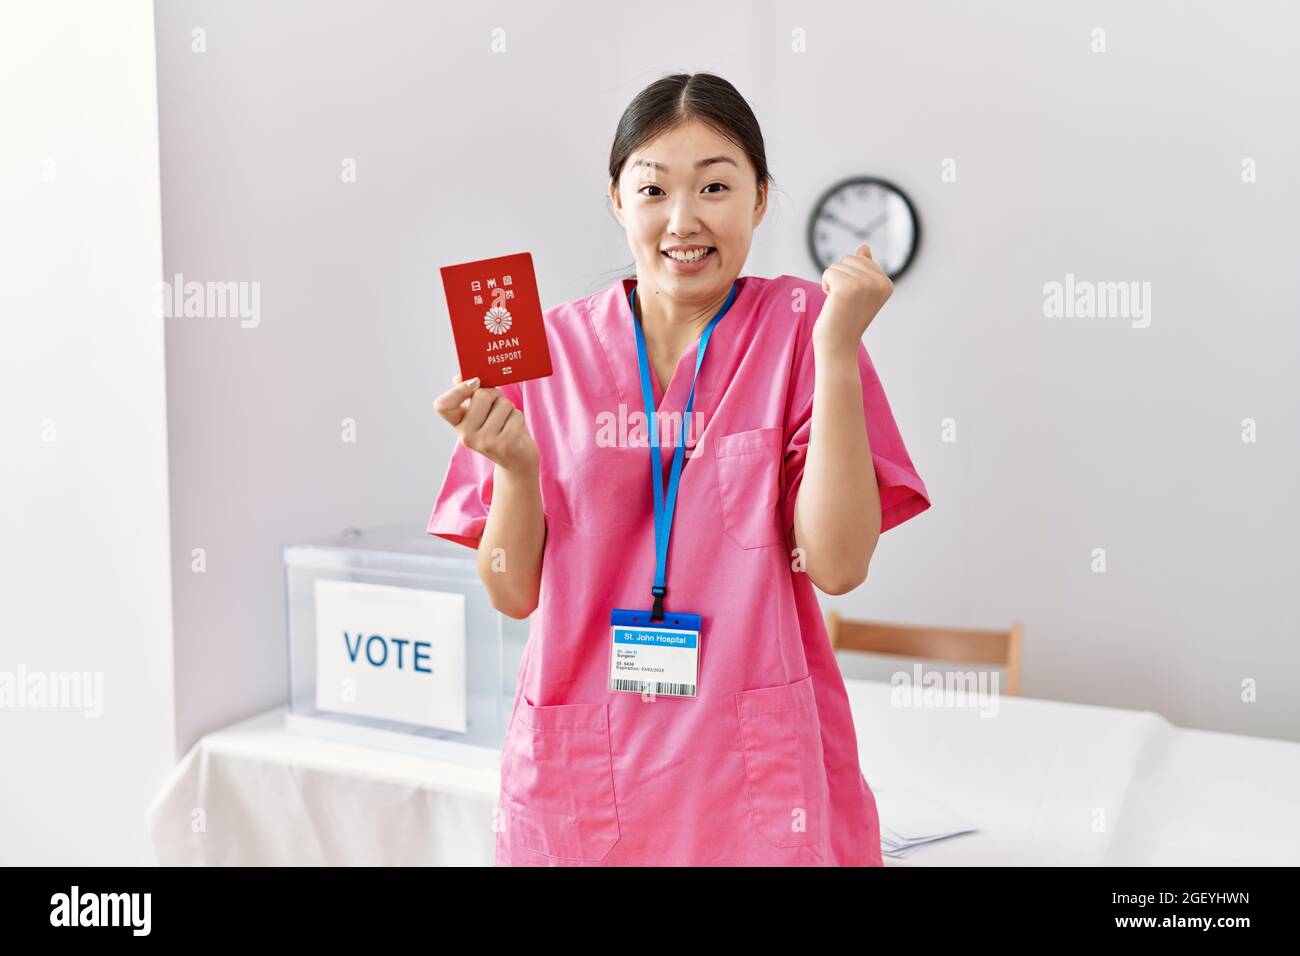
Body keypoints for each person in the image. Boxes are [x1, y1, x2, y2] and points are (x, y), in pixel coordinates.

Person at [428, 72, 931, 866]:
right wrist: (518, 473)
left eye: (716, 186)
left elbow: (837, 566)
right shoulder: (540, 350)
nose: (683, 221)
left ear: (760, 199)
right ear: (617, 201)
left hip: (751, 773)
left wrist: (838, 352)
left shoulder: (807, 329)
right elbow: (510, 590)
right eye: (654, 188)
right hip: (585, 763)